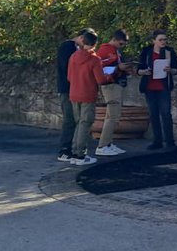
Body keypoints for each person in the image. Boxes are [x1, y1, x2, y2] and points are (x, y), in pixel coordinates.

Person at [67, 30, 111, 166]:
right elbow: (100, 80)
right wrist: (110, 75)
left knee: (78, 123)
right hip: (87, 94)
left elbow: (69, 77)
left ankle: (74, 152)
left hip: (74, 93)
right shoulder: (94, 59)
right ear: (95, 44)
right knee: (85, 124)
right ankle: (81, 154)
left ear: (83, 41)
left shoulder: (73, 56)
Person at [138, 30, 177, 150]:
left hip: (163, 87)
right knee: (153, 114)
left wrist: (170, 70)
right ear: (154, 41)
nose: (163, 42)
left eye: (165, 39)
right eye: (160, 40)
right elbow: (139, 70)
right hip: (149, 87)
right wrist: (145, 72)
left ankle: (170, 142)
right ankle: (157, 141)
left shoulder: (169, 52)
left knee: (166, 114)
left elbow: (176, 69)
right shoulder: (146, 52)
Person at [94, 29, 131, 157]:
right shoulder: (105, 50)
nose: (122, 46)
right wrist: (117, 68)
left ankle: (108, 143)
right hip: (110, 84)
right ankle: (103, 145)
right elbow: (99, 67)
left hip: (116, 83)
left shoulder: (115, 51)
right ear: (114, 40)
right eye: (121, 44)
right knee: (112, 116)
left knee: (113, 115)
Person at [55, 29, 90, 162]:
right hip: (67, 88)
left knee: (77, 119)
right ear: (81, 38)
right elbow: (67, 67)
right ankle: (65, 149)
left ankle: (73, 148)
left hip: (74, 88)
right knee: (70, 119)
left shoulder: (75, 49)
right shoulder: (67, 47)